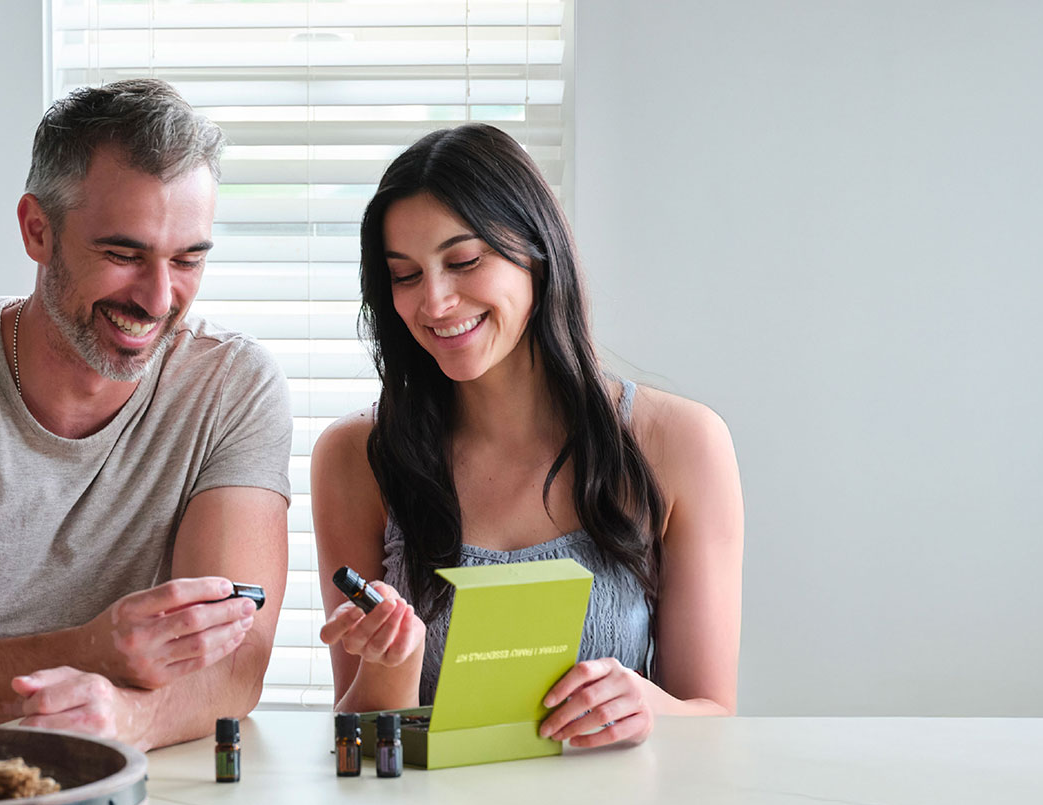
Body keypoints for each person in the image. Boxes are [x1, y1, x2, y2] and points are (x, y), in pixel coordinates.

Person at [0, 79, 291, 750]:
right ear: (38, 230)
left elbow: (235, 662)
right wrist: (93, 649)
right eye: (123, 255)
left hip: (136, 782)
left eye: (186, 259)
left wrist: (130, 720)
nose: (158, 298)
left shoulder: (230, 386)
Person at [311, 124, 743, 749]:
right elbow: (361, 742)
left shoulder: (680, 442)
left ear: (538, 252)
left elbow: (715, 717)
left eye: (463, 262)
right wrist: (390, 668)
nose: (433, 302)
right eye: (404, 276)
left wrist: (645, 705)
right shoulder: (357, 457)